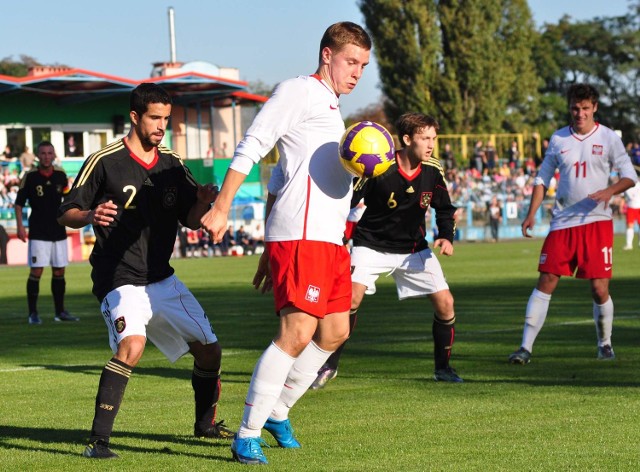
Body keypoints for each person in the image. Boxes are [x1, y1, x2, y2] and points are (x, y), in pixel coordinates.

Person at [200, 21, 372, 465]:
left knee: (336, 331)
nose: (357, 72)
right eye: (351, 61)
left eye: (363, 65)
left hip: (328, 241)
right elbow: (255, 142)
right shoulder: (298, 91)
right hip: (302, 236)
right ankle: (247, 432)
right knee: (296, 333)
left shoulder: (332, 109)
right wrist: (222, 205)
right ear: (326, 55)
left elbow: (280, 176)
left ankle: (277, 412)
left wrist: (263, 246)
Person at [57, 83, 233, 459]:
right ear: (135, 117)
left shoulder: (172, 163)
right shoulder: (104, 160)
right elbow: (66, 212)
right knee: (132, 346)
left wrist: (202, 202)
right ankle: (98, 443)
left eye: (166, 119)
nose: (161, 126)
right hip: (118, 277)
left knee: (211, 353)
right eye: (155, 118)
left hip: (162, 278)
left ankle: (204, 426)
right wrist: (89, 215)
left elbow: (190, 220)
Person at [310, 112, 462, 390]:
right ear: (406, 139)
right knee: (350, 300)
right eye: (424, 138)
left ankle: (443, 368)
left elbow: (444, 208)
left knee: (446, 304)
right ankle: (329, 364)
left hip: (413, 250)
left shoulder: (433, 169)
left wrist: (446, 237)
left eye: (433, 139)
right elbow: (347, 201)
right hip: (371, 246)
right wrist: (338, 236)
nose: (431, 145)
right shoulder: (379, 166)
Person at [508, 83, 637, 365]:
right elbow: (542, 179)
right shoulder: (558, 139)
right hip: (562, 222)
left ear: (595, 108)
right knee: (546, 280)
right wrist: (531, 213)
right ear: (570, 108)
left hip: (597, 222)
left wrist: (609, 192)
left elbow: (630, 176)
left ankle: (605, 344)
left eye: (585, 109)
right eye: (575, 108)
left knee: (599, 289)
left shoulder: (608, 138)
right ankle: (525, 348)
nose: (580, 113)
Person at [15, 141, 77, 325]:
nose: (46, 156)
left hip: (58, 230)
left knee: (59, 271)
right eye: (43, 153)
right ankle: (33, 313)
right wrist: (20, 227)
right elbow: (19, 204)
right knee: (37, 271)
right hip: (38, 231)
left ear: (54, 154)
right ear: (37, 155)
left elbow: (68, 197)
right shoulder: (30, 176)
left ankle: (60, 312)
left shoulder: (60, 174)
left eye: (50, 153)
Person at [622, 174, 640, 250]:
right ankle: (629, 245)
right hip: (631, 207)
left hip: (636, 206)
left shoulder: (628, 185)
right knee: (630, 226)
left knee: (630, 226)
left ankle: (630, 245)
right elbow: (625, 196)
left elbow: (626, 196)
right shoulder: (628, 185)